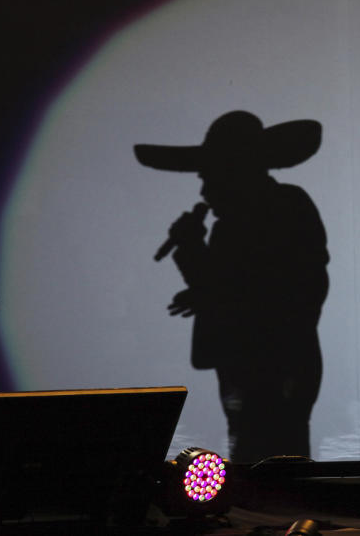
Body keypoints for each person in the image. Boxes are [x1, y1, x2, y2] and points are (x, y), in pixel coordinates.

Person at [135, 112, 329, 462]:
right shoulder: (237, 223)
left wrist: (192, 248)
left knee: (272, 456)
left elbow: (267, 292)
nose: (205, 188)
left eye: (210, 175)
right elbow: (231, 287)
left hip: (276, 365)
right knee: (249, 451)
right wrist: (199, 281)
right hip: (251, 363)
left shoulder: (284, 208)